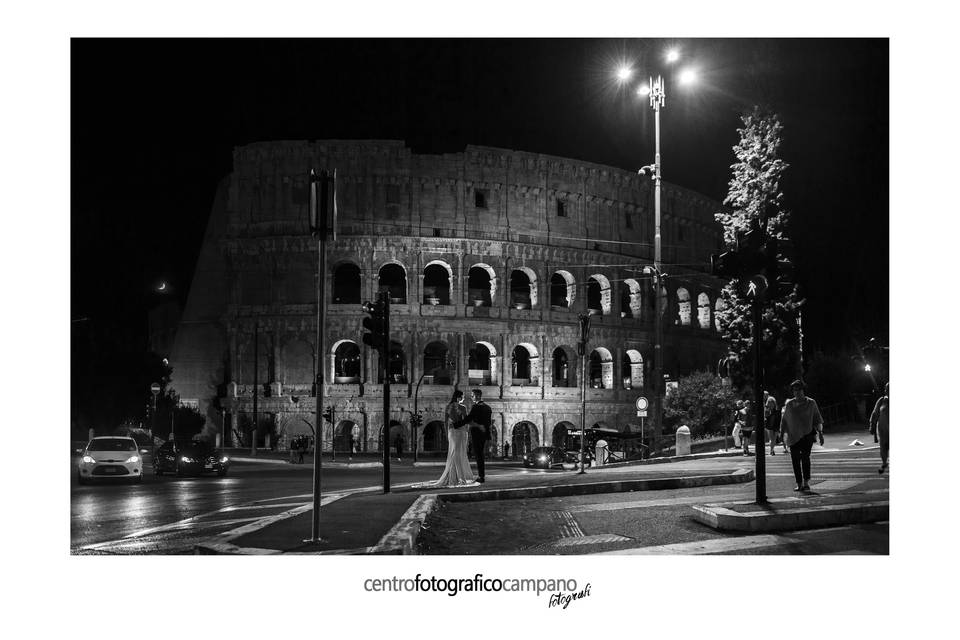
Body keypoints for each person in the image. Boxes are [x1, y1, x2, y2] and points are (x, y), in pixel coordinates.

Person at [779, 380, 825, 492]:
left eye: (799, 389)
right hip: (793, 436)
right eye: (794, 390)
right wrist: (781, 434)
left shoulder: (811, 403)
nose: (797, 392)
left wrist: (820, 433)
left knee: (805, 459)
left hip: (807, 435)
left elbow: (817, 418)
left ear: (803, 390)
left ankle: (806, 482)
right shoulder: (789, 404)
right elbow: (784, 420)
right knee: (795, 460)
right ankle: (799, 483)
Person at [434, 390, 475, 487]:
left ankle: (453, 475)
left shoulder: (448, 407)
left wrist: (446, 433)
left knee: (453, 452)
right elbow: (466, 421)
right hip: (461, 432)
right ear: (458, 397)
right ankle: (459, 476)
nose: (463, 398)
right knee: (459, 453)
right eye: (462, 396)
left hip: (451, 432)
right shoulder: (462, 407)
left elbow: (445, 422)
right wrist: (467, 431)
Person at [462, 388, 493, 483]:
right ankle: (481, 475)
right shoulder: (488, 407)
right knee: (480, 455)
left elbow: (468, 419)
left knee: (478, 455)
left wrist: (456, 424)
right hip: (484, 434)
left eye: (472, 396)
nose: (471, 398)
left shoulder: (476, 407)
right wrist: (488, 436)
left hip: (476, 433)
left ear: (478, 396)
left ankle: (481, 476)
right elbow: (488, 424)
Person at [870, 383, 890, 474]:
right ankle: (884, 463)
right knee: (883, 447)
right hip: (883, 430)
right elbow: (875, 413)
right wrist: (872, 425)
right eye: (887, 389)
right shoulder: (882, 401)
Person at [763, 391, 780, 456]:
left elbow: (765, 417)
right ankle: (772, 450)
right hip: (775, 424)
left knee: (771, 438)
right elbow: (779, 418)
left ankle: (771, 451)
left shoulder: (766, 409)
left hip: (769, 424)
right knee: (774, 438)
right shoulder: (777, 410)